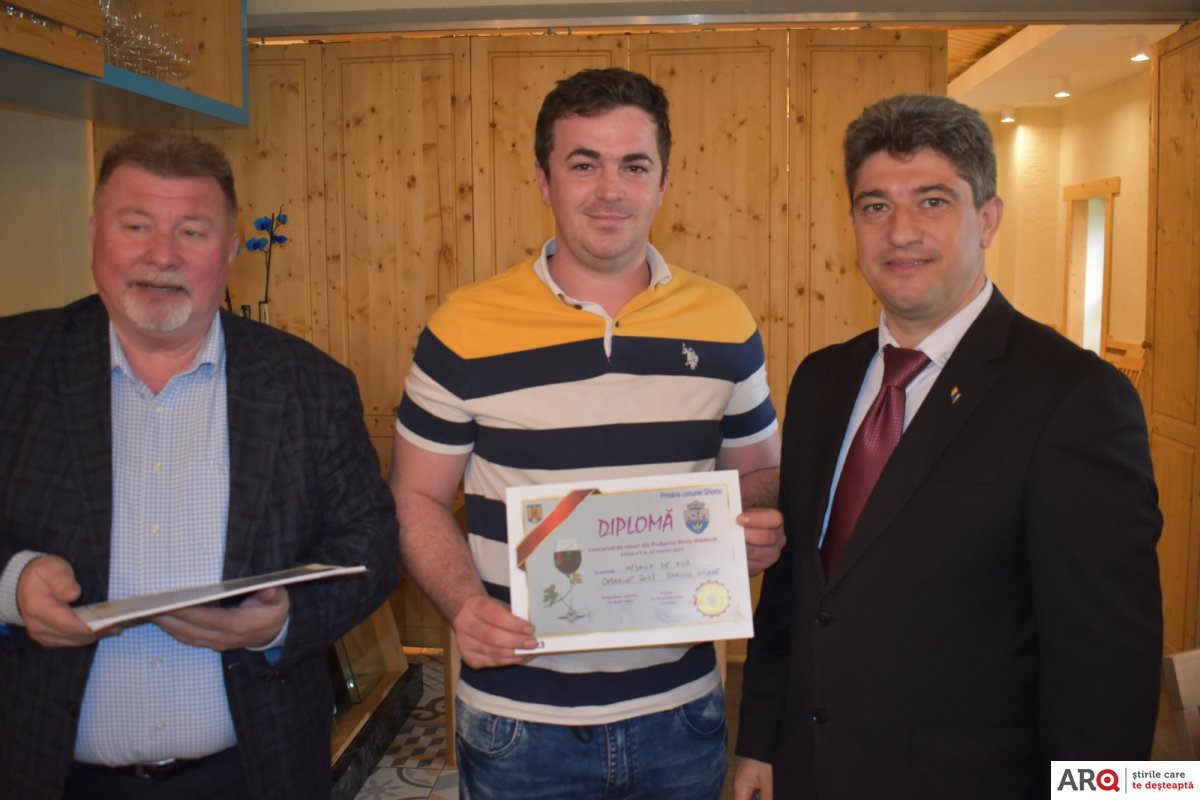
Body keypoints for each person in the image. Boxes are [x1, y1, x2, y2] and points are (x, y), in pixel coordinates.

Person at [733, 93, 1163, 800]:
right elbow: (796, 593)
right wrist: (759, 740)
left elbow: (1108, 670)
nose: (901, 232)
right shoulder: (821, 380)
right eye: (876, 205)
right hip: (810, 770)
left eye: (933, 201)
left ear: (987, 218)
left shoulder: (1077, 399)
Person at [391, 67, 784, 799]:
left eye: (634, 165)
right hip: (517, 722)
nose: (611, 190)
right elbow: (415, 497)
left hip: (681, 714)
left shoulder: (726, 322)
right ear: (543, 181)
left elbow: (759, 475)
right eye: (584, 164)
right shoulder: (464, 328)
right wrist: (463, 605)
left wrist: (758, 524)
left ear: (664, 181)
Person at [0, 131, 399, 800]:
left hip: (257, 773)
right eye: (136, 225)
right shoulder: (12, 367)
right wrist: (12, 586)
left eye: (191, 231)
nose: (162, 254)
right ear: (95, 233)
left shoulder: (308, 384)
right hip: (42, 773)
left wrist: (284, 619)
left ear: (230, 249)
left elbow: (373, 546)